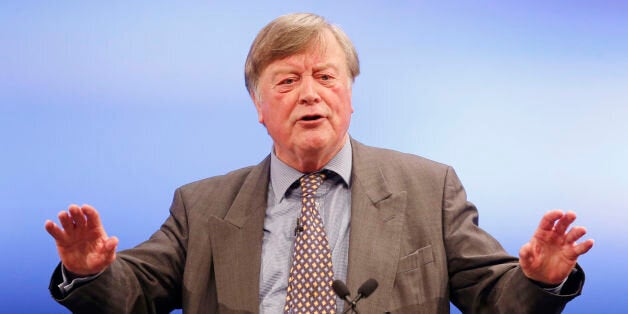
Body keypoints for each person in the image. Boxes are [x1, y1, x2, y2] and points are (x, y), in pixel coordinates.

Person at [45, 13, 594, 314]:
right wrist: (89, 272)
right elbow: (134, 295)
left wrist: (538, 282)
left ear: (350, 96)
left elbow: (494, 298)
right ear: (259, 108)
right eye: (287, 81)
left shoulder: (430, 187)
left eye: (326, 77)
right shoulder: (201, 205)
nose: (310, 94)